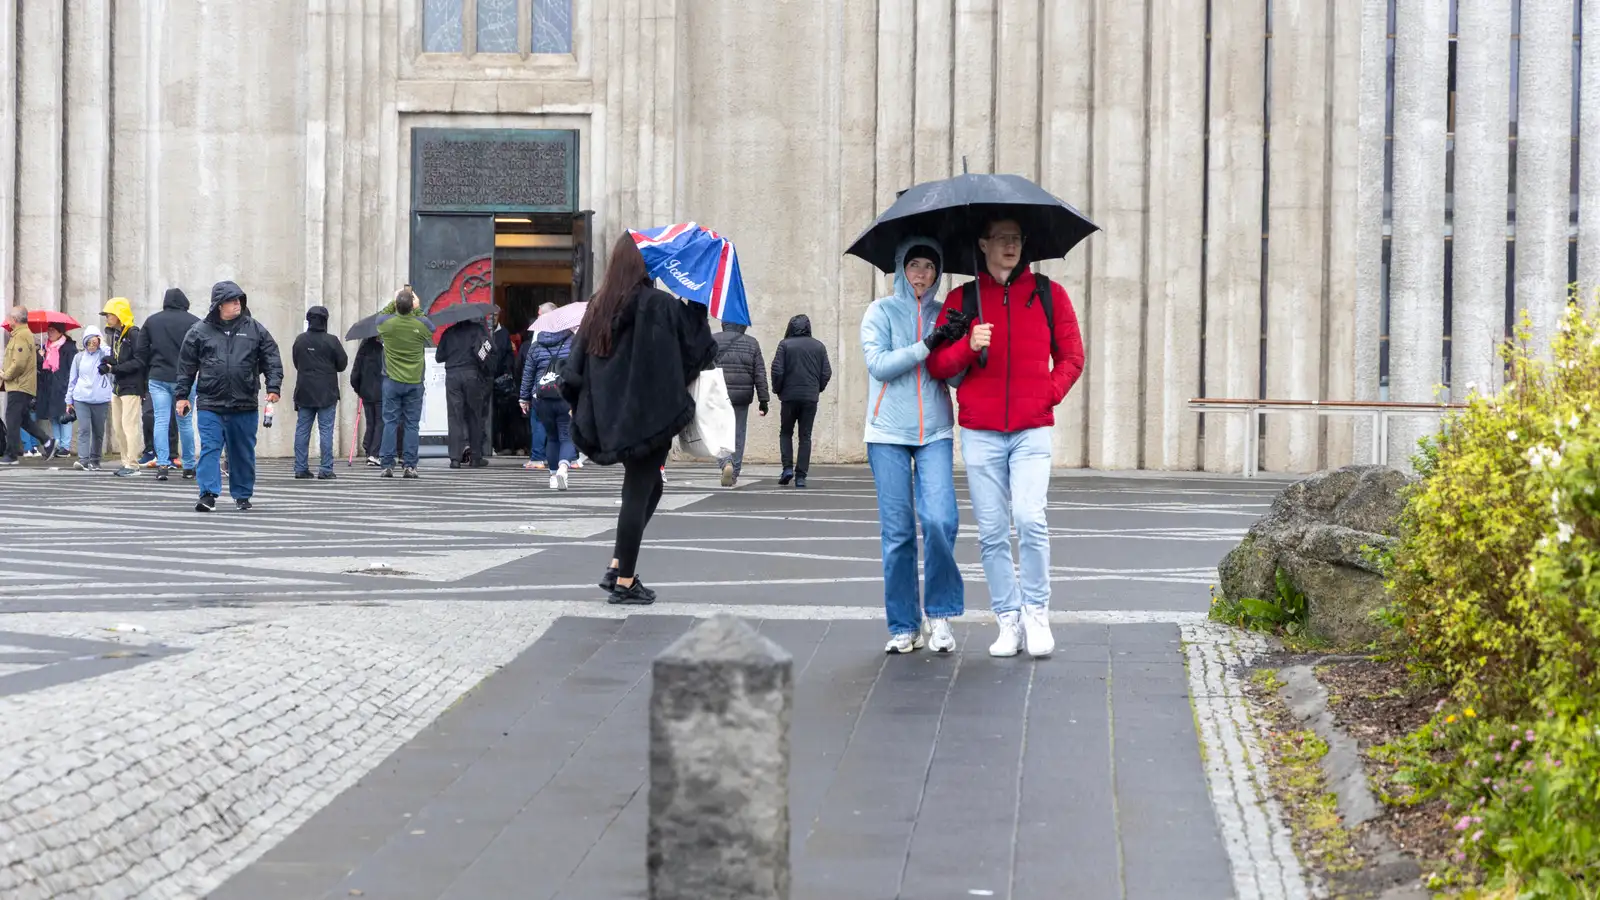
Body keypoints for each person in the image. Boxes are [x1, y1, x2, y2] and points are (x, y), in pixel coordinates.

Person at [926, 219, 1086, 659]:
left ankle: (1037, 612)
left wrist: (1045, 394)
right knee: (993, 533)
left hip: (1032, 428)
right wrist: (967, 344)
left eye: (1017, 238)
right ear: (983, 245)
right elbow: (938, 364)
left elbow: (1073, 356)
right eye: (1002, 238)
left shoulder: (1049, 295)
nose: (1011, 245)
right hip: (981, 432)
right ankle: (1008, 619)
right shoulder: (962, 301)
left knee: (1031, 520)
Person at [562, 233, 717, 605]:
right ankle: (626, 580)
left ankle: (618, 564)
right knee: (638, 490)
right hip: (649, 415)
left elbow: (574, 368)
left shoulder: (599, 306)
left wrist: (580, 404)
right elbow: (696, 351)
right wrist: (696, 303)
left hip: (611, 415)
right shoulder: (659, 305)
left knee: (650, 487)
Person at [861, 239, 966, 654]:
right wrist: (929, 343)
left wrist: (968, 349)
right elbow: (880, 365)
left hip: (935, 431)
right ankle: (904, 624)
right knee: (899, 532)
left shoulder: (945, 314)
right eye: (914, 265)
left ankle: (939, 614)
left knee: (940, 520)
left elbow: (954, 379)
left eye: (929, 267)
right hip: (886, 432)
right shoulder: (879, 311)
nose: (921, 274)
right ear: (900, 268)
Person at [175, 280, 284, 512]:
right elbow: (186, 366)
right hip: (210, 403)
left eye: (239, 300)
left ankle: (242, 495)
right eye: (232, 301)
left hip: (244, 403)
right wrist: (182, 396)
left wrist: (273, 387)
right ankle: (207, 494)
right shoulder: (199, 331)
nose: (237, 304)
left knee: (242, 452)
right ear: (219, 305)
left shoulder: (255, 329)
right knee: (210, 449)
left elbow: (271, 358)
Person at [141, 288, 201, 481]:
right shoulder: (195, 322)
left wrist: (151, 366)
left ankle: (163, 465)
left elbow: (141, 351)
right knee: (185, 422)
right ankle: (189, 466)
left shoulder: (152, 321)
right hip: (185, 379)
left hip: (158, 377)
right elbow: (203, 351)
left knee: (161, 420)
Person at [376, 286, 433, 479]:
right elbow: (430, 327)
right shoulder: (419, 324)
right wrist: (416, 307)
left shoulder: (387, 324)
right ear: (412, 306)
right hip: (415, 381)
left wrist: (396, 300)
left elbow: (380, 316)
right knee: (411, 424)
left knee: (390, 422)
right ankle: (409, 465)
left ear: (396, 306)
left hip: (391, 380)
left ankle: (387, 464)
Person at [771, 314, 831, 488]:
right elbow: (826, 373)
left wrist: (777, 389)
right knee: (805, 436)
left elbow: (777, 370)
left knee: (786, 432)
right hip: (810, 397)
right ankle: (801, 476)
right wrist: (817, 388)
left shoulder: (784, 345)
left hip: (789, 396)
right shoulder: (819, 346)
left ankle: (787, 468)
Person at [291, 305, 348, 480]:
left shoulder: (300, 340)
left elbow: (296, 362)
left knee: (302, 430)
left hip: (304, 390)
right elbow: (342, 364)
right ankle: (325, 469)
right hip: (327, 391)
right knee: (326, 431)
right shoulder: (332, 341)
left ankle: (300, 468)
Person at [712, 321, 769, 487]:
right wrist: (763, 399)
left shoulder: (713, 340)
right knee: (738, 433)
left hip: (718, 395)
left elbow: (703, 367)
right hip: (742, 396)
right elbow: (760, 373)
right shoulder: (752, 343)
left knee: (718, 432)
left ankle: (725, 463)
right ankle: (734, 472)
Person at [520, 324, 576, 490]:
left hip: (542, 397)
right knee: (567, 435)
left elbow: (528, 373)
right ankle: (563, 468)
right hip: (565, 395)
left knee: (552, 437)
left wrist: (523, 397)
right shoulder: (573, 342)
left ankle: (553, 476)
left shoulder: (536, 346)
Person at [0, 307, 58, 463]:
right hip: (21, 384)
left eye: (9, 317)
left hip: (19, 385)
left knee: (11, 417)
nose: (8, 319)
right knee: (23, 418)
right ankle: (47, 442)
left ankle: (11, 453)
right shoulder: (21, 335)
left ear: (15, 319)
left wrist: (5, 375)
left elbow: (18, 363)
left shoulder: (21, 336)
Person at [436, 315, 493, 468]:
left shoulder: (448, 333)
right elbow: (488, 349)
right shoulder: (478, 330)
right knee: (474, 415)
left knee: (455, 417)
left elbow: (439, 357)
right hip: (472, 374)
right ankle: (476, 457)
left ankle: (455, 458)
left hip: (452, 376)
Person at [100, 297, 147, 476]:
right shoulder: (118, 334)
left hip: (132, 386)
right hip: (119, 385)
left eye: (109, 315)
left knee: (129, 425)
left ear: (119, 315)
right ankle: (126, 461)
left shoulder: (134, 333)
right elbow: (120, 358)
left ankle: (132, 464)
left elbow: (140, 361)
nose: (107, 318)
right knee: (118, 427)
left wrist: (115, 367)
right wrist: (108, 362)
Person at [64, 327, 114, 470]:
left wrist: (102, 342)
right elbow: (72, 379)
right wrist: (69, 400)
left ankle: (95, 459)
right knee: (84, 429)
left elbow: (112, 356)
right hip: (81, 399)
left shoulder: (103, 355)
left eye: (95, 342)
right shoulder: (79, 357)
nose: (92, 346)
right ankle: (83, 460)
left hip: (101, 399)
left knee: (98, 431)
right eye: (89, 342)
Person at [522, 302, 556, 471]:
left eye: (539, 314)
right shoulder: (568, 335)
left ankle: (537, 458)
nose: (537, 317)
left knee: (538, 423)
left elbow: (530, 368)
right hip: (560, 387)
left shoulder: (538, 338)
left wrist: (524, 396)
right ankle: (564, 458)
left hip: (541, 387)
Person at [35, 324, 77, 458]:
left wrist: (68, 385)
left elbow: (72, 368)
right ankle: (57, 445)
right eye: (48, 330)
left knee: (64, 416)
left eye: (52, 330)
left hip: (63, 387)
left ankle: (65, 447)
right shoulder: (45, 347)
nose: (49, 333)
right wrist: (40, 358)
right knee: (53, 416)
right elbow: (42, 369)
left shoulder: (68, 347)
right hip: (49, 387)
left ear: (60, 332)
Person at [350, 335, 386, 466]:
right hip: (381, 392)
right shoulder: (383, 351)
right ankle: (374, 453)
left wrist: (359, 389)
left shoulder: (362, 352)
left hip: (366, 392)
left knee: (370, 422)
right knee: (380, 422)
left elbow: (354, 375)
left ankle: (368, 448)